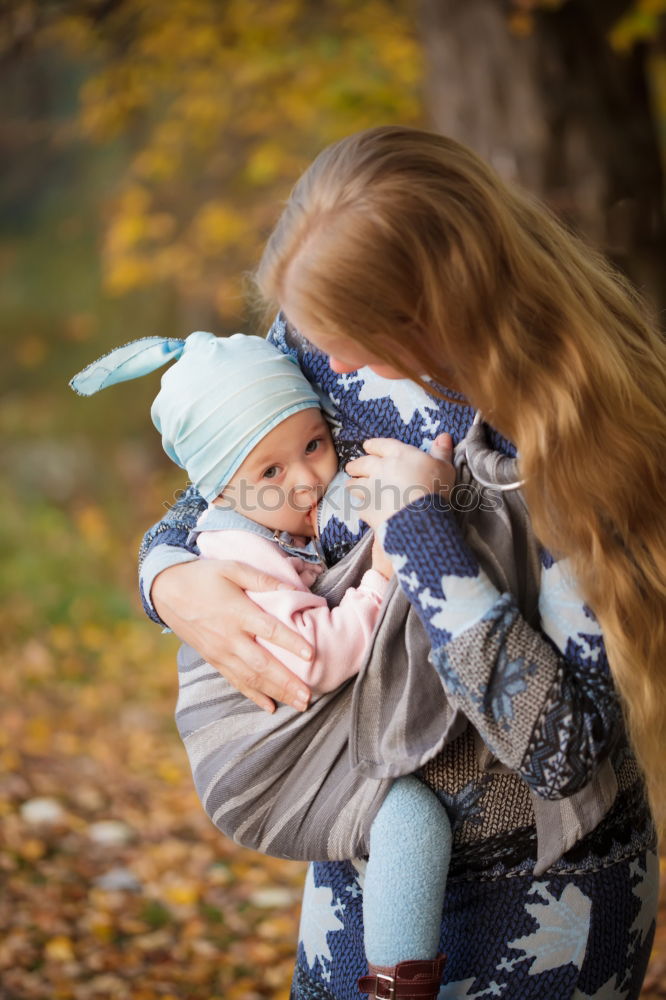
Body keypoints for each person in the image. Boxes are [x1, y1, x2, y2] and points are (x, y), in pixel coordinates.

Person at [138, 127, 663, 999]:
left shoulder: (586, 437)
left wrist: (420, 532)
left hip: (549, 897)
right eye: (314, 331)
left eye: (357, 334)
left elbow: (564, 751)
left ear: (439, 307)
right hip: (369, 846)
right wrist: (168, 577)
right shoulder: (328, 338)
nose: (330, 363)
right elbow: (232, 480)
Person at [70, 330, 452, 998]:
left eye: (313, 445)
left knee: (402, 829)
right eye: (270, 473)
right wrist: (386, 575)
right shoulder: (239, 551)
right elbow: (318, 655)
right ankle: (400, 986)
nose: (306, 480)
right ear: (221, 490)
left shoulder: (286, 515)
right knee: (409, 819)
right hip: (253, 762)